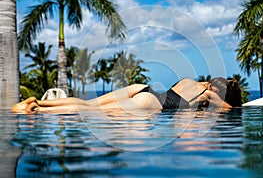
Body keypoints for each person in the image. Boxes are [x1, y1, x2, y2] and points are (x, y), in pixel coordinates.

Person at [12, 77, 242, 114]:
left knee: (89, 103)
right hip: (152, 104)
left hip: (142, 89)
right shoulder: (207, 95)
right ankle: (38, 111)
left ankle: (38, 101)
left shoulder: (190, 81)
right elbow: (230, 110)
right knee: (92, 112)